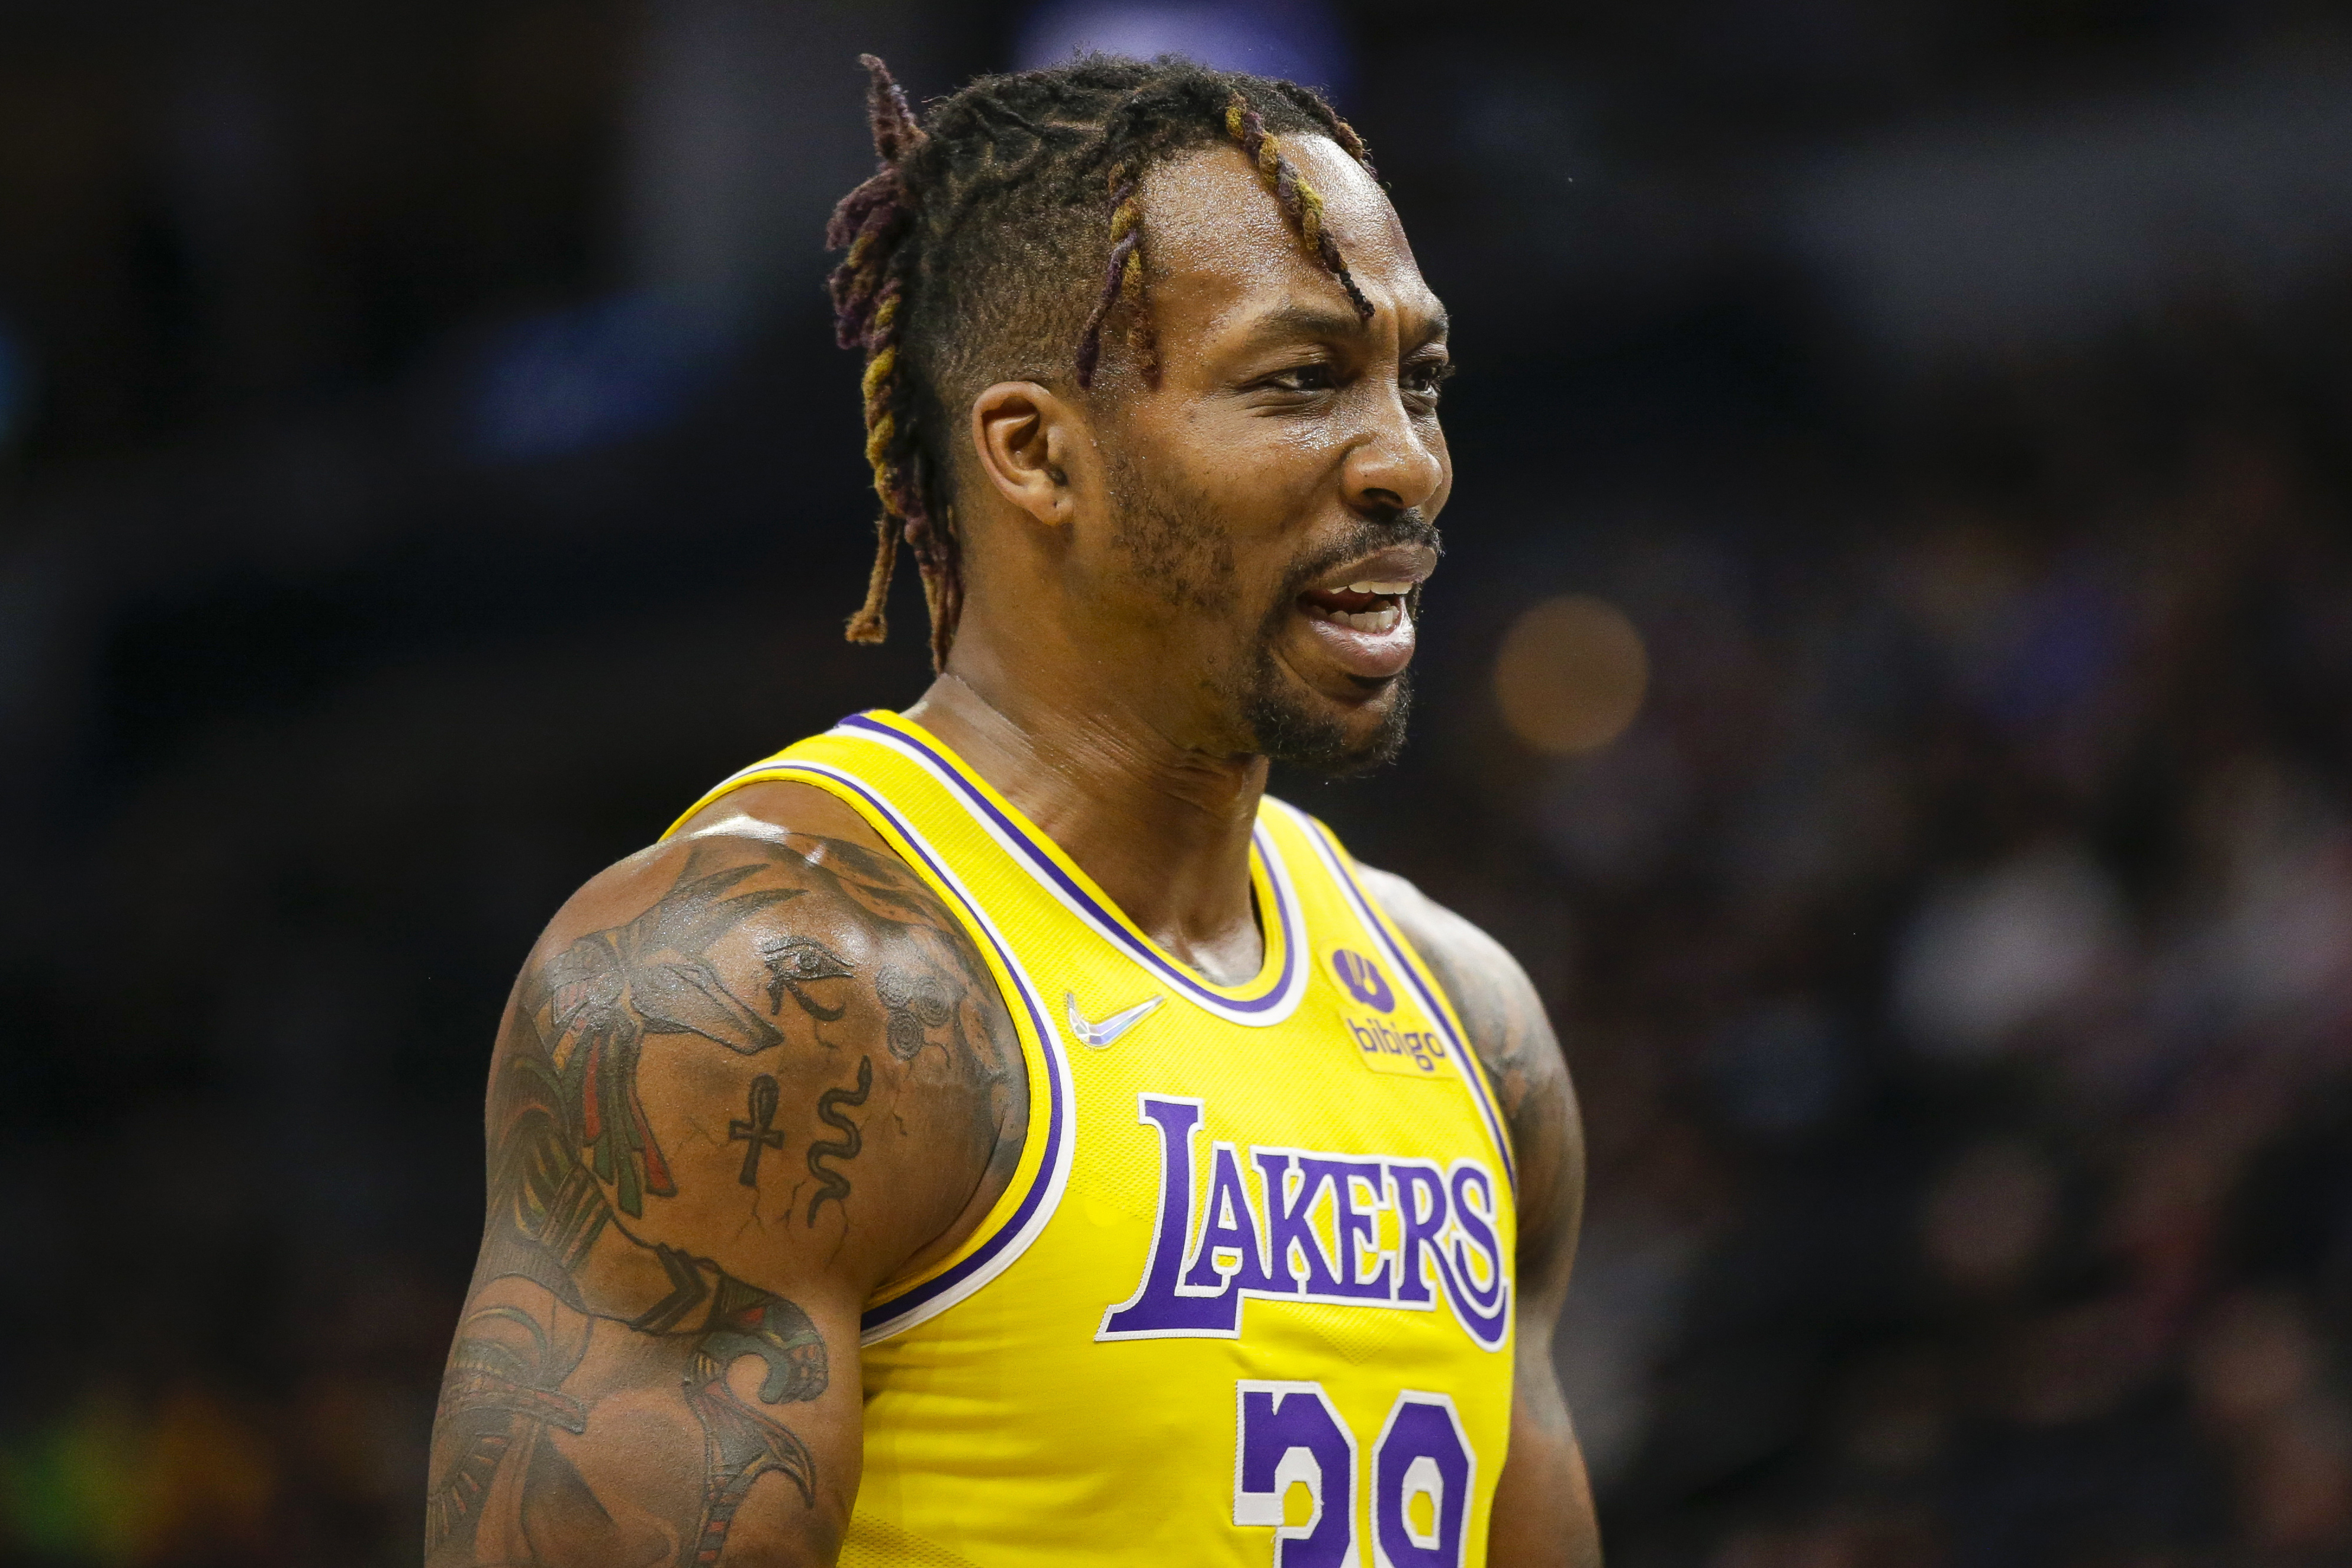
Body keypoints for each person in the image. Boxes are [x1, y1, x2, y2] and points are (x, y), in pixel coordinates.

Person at [424, 52, 1600, 1568]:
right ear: (1035, 451)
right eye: (1300, 380)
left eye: (1416, 379)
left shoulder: (1471, 1019)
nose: (1406, 462)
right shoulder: (756, 992)